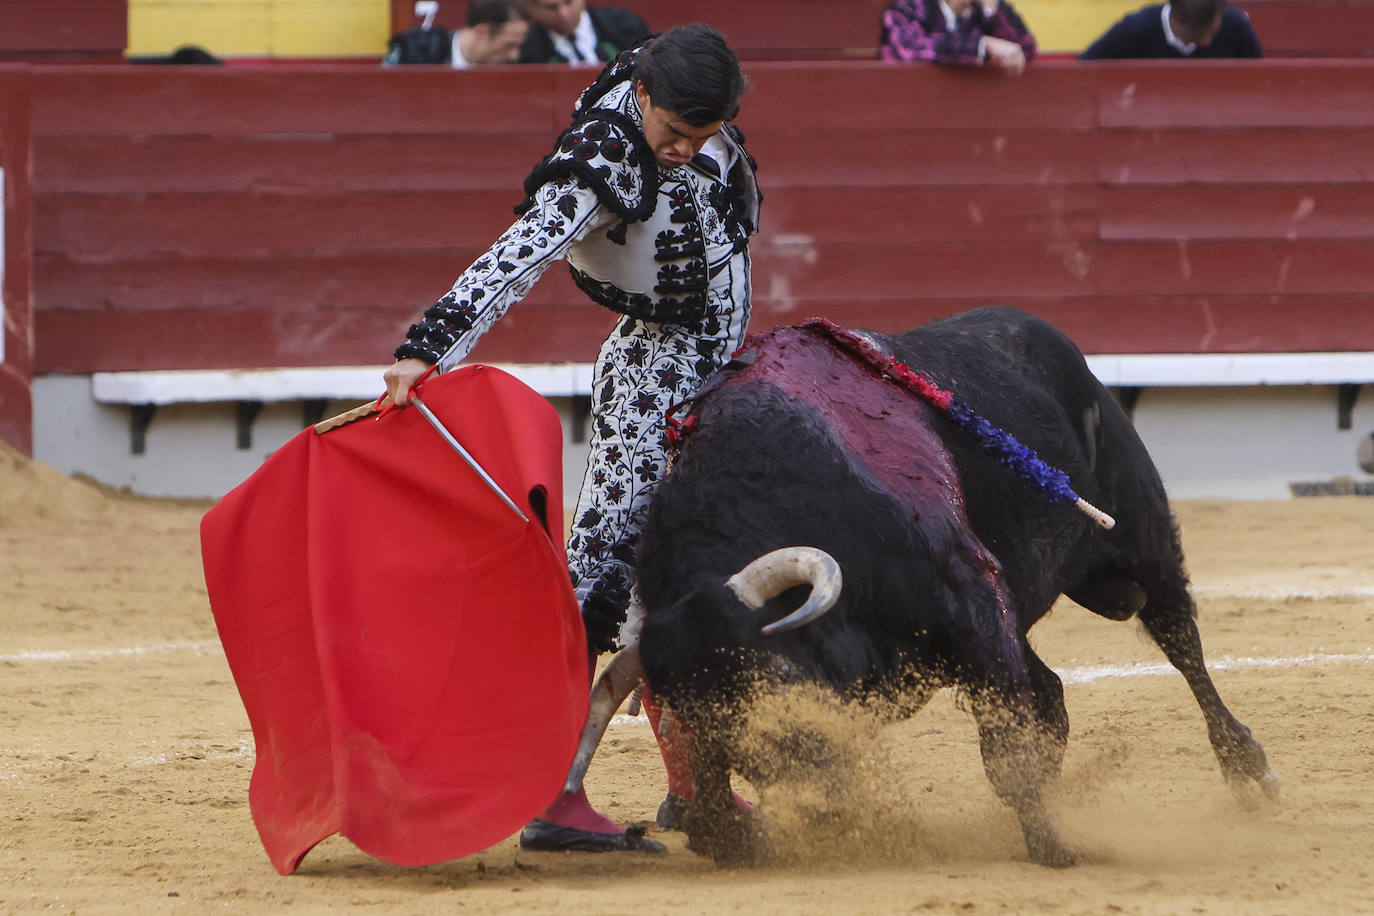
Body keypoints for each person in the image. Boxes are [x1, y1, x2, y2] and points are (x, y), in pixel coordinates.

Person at [382, 23, 760, 853]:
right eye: (675, 134)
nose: (688, 152)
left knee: (689, 579)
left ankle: (695, 787)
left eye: (705, 137)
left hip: (725, 377)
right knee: (600, 583)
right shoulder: (609, 155)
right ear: (647, 100)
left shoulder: (679, 94)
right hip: (651, 379)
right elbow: (518, 254)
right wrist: (426, 349)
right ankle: (553, 792)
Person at [880, 0, 1038, 77]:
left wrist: (993, 11)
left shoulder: (984, 12)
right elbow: (908, 48)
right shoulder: (909, 6)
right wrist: (981, 45)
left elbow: (1025, 49)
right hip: (911, 110)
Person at [1079, 0, 1263, 59]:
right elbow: (1082, 71)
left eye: (1211, 33)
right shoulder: (1135, 30)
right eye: (1196, 35)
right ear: (1177, 21)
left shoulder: (1235, 25)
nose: (1207, 42)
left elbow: (1261, 82)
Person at [383, 0, 529, 67]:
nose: (514, 56)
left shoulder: (528, 59)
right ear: (482, 31)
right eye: (509, 45)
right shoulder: (417, 52)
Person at [517, 0, 650, 65]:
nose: (564, 14)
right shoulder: (526, 49)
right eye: (552, 8)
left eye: (568, 2)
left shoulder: (625, 27)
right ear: (532, 9)